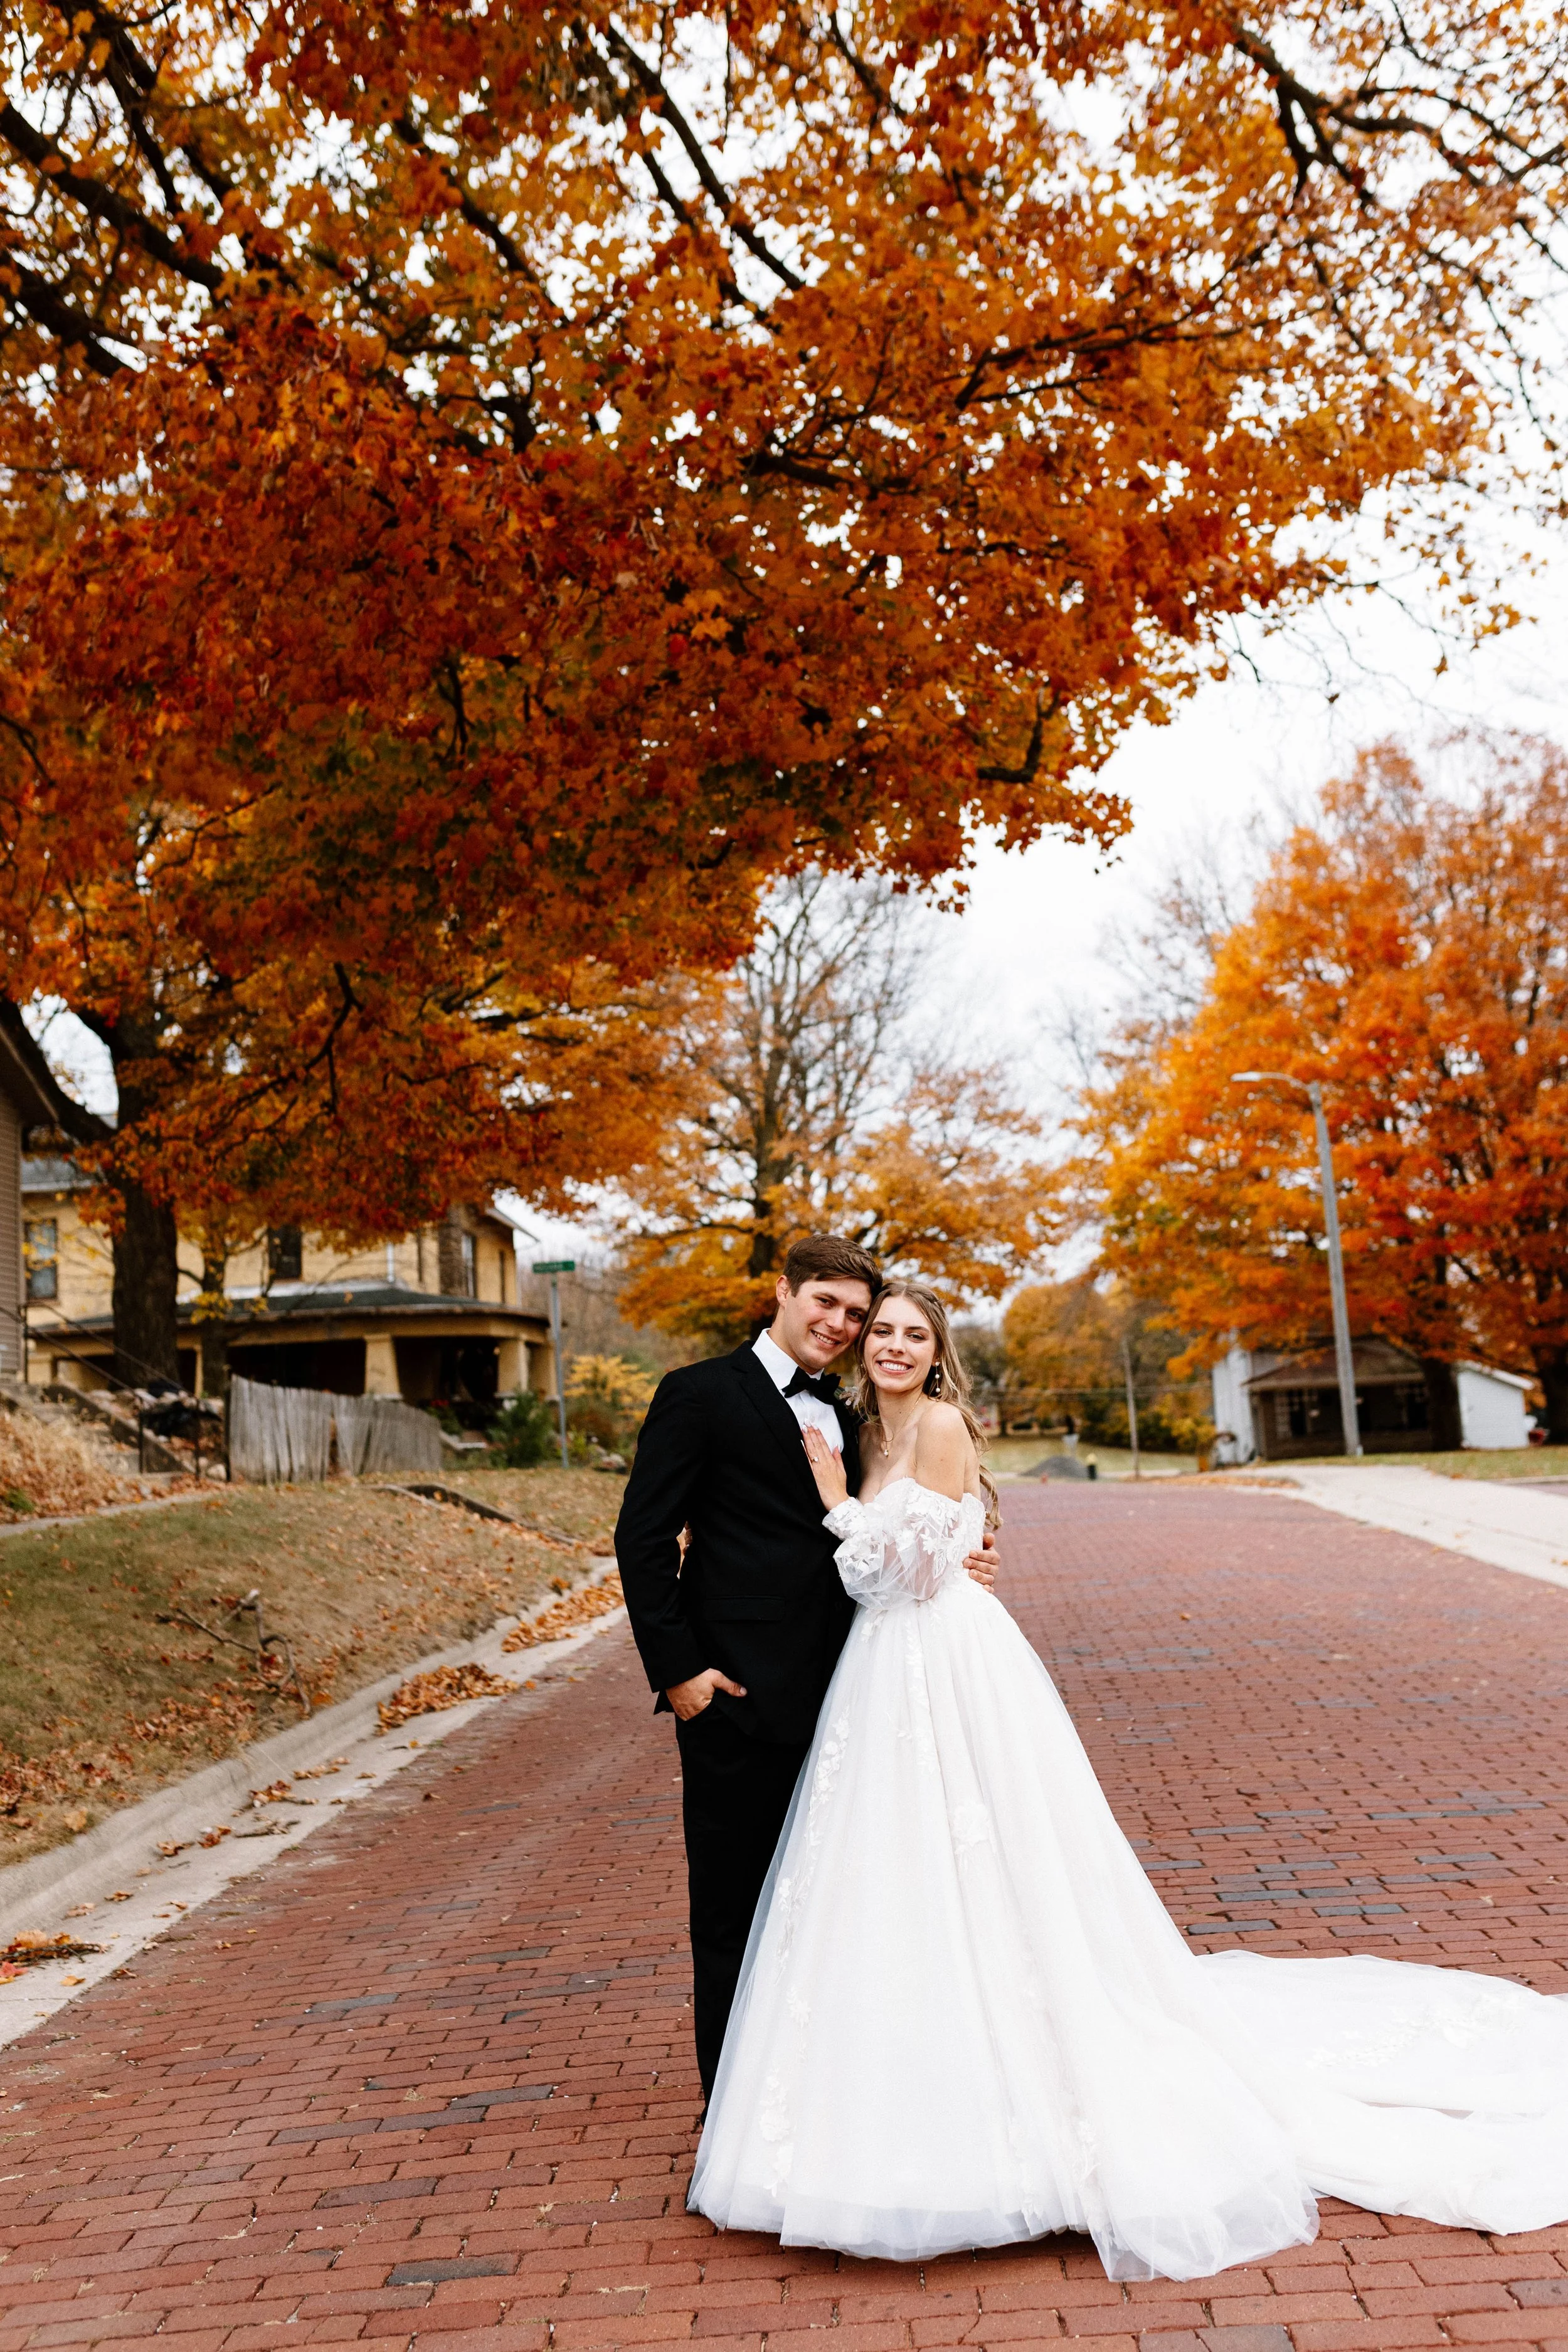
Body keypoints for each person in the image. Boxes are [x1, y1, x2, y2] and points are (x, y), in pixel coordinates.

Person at [689, 1281, 1568, 2282]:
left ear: (939, 1353)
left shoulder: (934, 1427)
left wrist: (844, 1509)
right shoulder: (859, 1430)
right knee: (893, 1877)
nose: (890, 1345)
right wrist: (857, 1512)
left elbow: (924, 1569)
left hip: (950, 1668)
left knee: (992, 1861)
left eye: (911, 1334)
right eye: (879, 1330)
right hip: (881, 1680)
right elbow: (887, 1561)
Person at [615, 1234, 997, 2103]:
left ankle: (838, 2091)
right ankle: (738, 2107)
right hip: (738, 1701)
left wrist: (969, 1557)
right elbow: (641, 1537)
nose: (842, 1323)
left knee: (847, 1901)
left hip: (857, 1696)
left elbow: (909, 1532)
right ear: (782, 1292)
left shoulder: (862, 1418)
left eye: (857, 1314)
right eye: (827, 1302)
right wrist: (681, 1673)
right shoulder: (699, 1394)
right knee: (734, 1910)